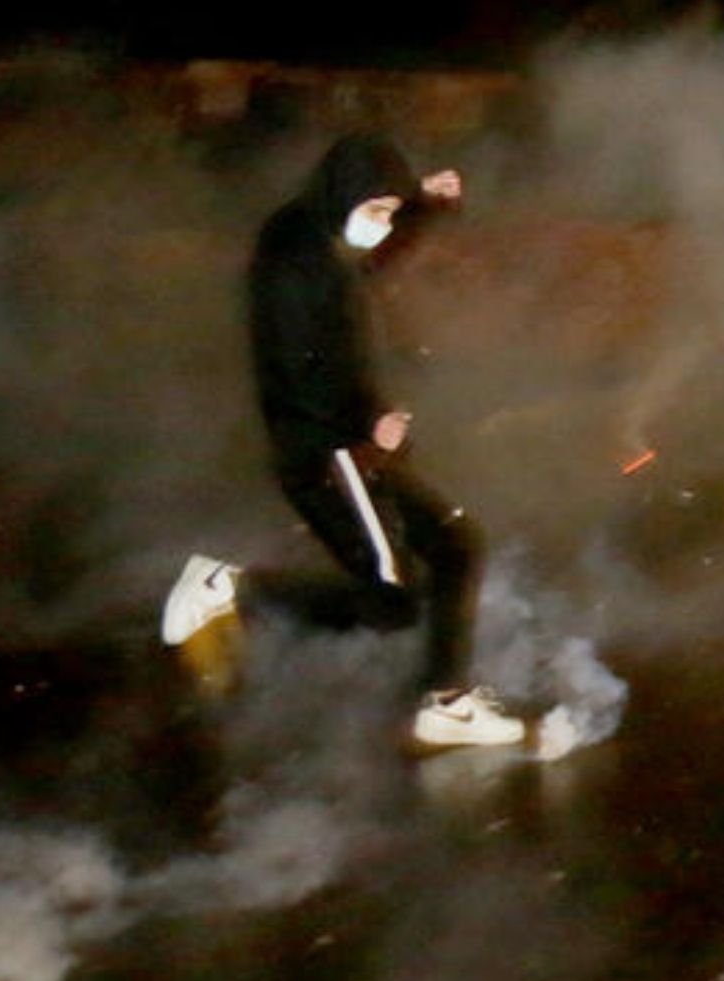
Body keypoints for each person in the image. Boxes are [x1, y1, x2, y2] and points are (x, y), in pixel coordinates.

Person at [162, 132, 523, 748]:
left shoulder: (315, 223)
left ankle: (447, 704)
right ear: (346, 200)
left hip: (347, 443)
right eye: (377, 214)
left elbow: (366, 216)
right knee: (393, 601)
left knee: (457, 546)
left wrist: (418, 198)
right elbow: (304, 375)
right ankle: (230, 586)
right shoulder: (295, 270)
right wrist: (369, 422)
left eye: (389, 213)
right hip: (326, 450)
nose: (383, 229)